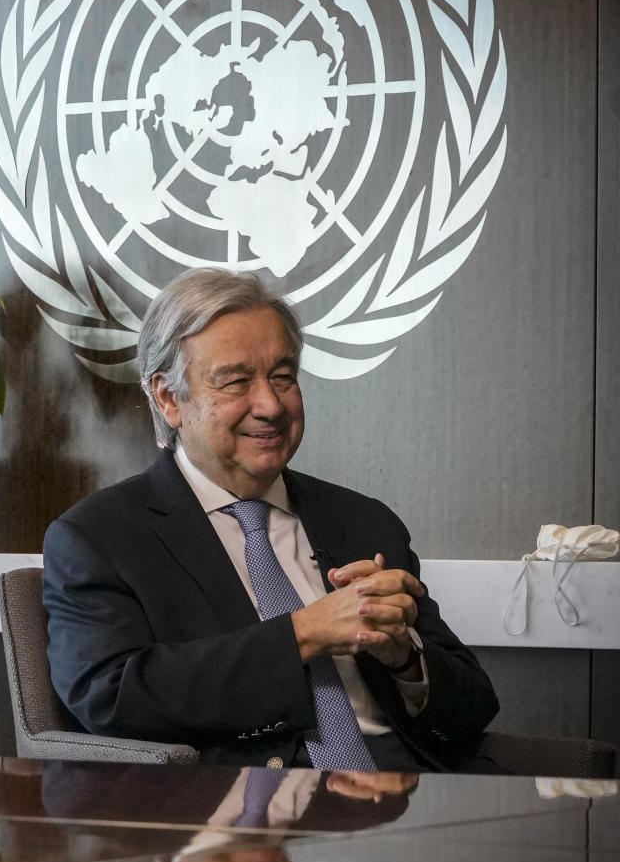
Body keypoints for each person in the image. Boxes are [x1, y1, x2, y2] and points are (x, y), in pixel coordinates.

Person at [42, 268, 499, 770]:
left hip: (408, 807)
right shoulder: (100, 537)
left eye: (283, 378)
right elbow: (110, 697)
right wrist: (304, 632)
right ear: (170, 398)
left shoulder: (363, 522)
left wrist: (405, 660)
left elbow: (474, 709)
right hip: (251, 824)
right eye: (236, 381)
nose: (270, 405)